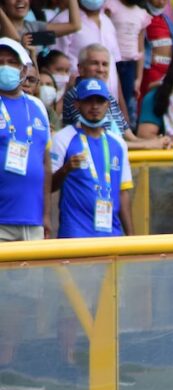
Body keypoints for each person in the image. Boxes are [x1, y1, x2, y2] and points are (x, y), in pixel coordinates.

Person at [50, 78, 133, 238]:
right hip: (75, 233)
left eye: (100, 101)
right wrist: (66, 169)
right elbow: (48, 187)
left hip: (112, 233)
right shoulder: (62, 138)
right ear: (77, 104)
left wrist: (131, 236)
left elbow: (123, 193)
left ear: (108, 104)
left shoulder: (118, 143)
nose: (95, 106)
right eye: (88, 101)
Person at [0, 37, 50, 242]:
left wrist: (46, 215)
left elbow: (46, 164)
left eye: (12, 62)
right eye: (0, 62)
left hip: (33, 219)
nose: (5, 67)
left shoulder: (38, 106)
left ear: (23, 69)